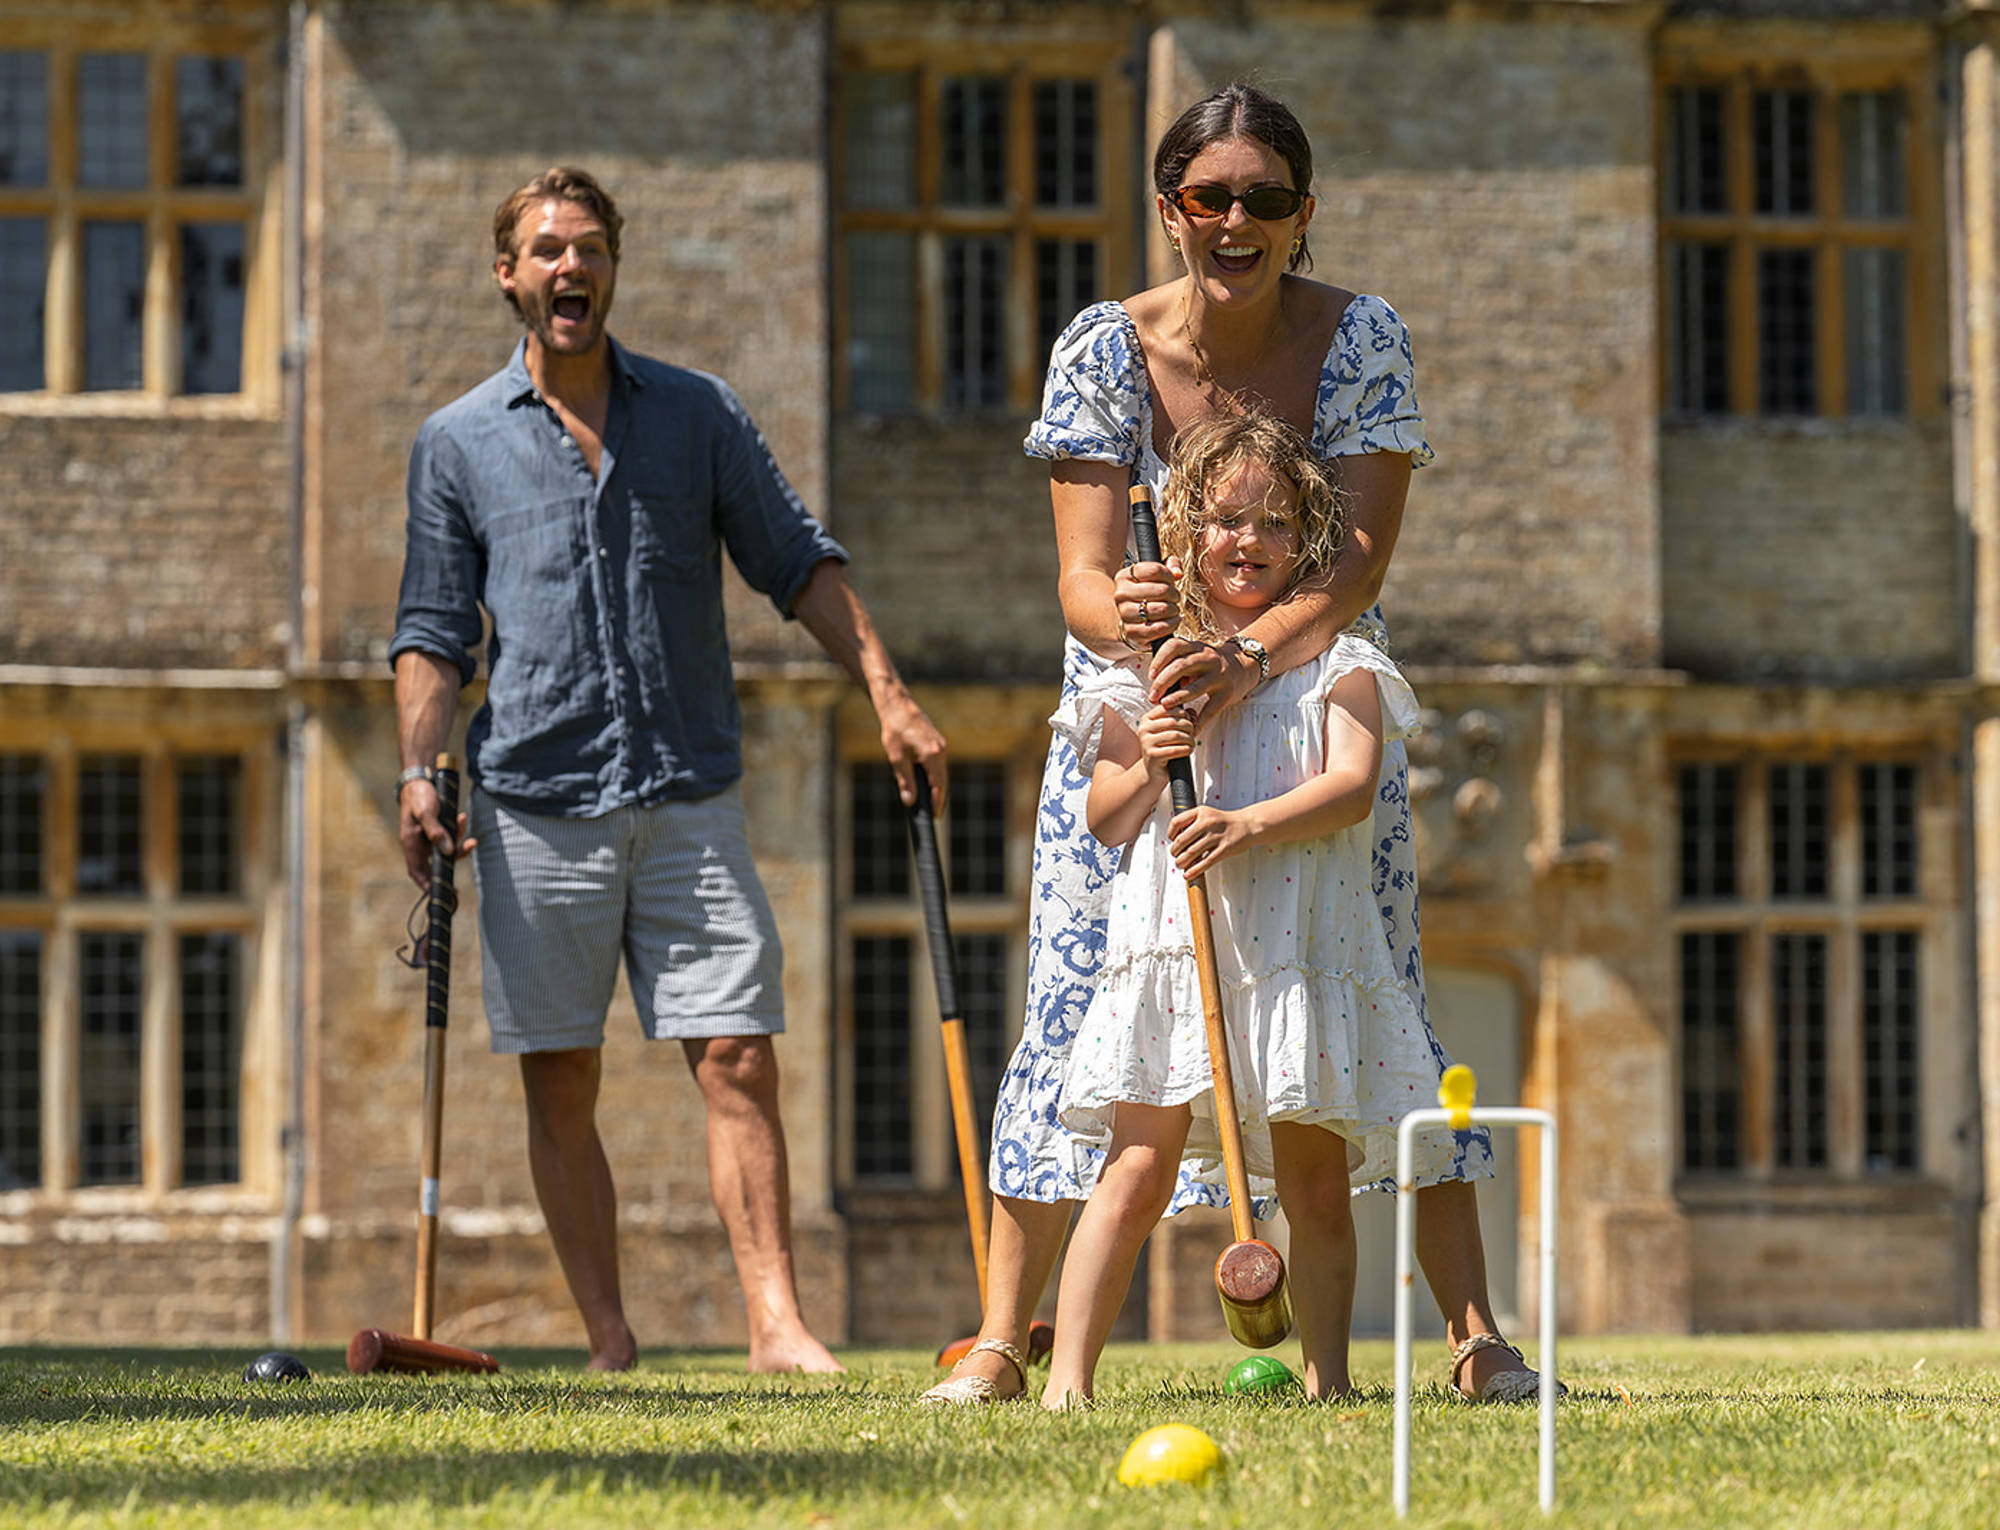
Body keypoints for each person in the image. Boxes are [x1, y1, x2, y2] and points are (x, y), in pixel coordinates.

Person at [923, 84, 1550, 1406]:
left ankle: (1476, 1335)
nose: (1236, 221)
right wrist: (1148, 629)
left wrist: (1251, 662)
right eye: (1209, 198)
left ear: (1302, 217)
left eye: (1266, 200)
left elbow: (1362, 554)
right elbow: (1086, 581)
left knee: (1366, 1004)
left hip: (1305, 702)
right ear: (1169, 212)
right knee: (1080, 1014)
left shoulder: (1360, 338)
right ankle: (1000, 1342)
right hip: (1143, 718)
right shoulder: (1102, 351)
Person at [389, 167, 946, 1373]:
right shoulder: (456, 445)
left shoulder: (697, 416)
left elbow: (796, 564)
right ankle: (608, 1338)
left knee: (738, 1051)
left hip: (687, 788)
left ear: (613, 266)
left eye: (586, 248)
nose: (567, 267)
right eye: (544, 250)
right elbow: (432, 629)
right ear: (509, 276)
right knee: (561, 1077)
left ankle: (774, 1325)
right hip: (536, 803)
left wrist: (891, 700)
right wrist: (417, 774)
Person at [1041, 408, 1438, 1406]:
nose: (1246, 542)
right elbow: (1103, 816)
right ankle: (1067, 1386)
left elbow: (1351, 788)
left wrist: (1246, 824)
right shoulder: (1152, 664)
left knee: (1311, 1185)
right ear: (1185, 533)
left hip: (1295, 953)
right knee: (1134, 1168)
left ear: (1302, 538)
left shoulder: (1334, 662)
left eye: (1270, 524)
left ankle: (1329, 1383)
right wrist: (1159, 753)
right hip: (1179, 951)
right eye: (1225, 520)